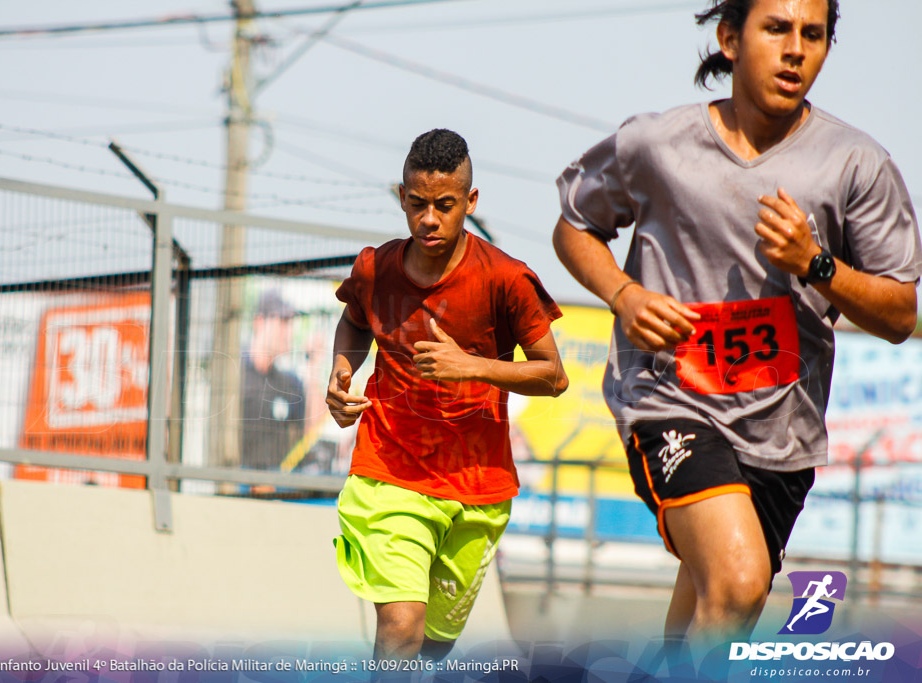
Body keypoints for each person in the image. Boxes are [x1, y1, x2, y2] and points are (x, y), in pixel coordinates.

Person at [552, 0, 921, 649]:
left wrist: (817, 263)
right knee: (740, 578)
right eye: (776, 28)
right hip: (671, 400)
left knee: (715, 601)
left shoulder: (856, 165)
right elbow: (575, 225)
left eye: (813, 35)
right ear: (729, 38)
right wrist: (624, 294)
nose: (795, 49)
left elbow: (899, 313)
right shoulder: (656, 144)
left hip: (783, 432)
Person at [327, 128, 568, 662]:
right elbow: (353, 323)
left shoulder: (507, 280)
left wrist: (470, 367)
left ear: (470, 201)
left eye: (444, 205)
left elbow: (554, 376)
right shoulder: (376, 269)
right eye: (416, 205)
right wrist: (341, 373)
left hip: (475, 483)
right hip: (389, 469)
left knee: (432, 650)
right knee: (400, 624)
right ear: (402, 198)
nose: (428, 219)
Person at [241, 288, 306, 471]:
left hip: (277, 491)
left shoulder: (289, 384)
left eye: (291, 323)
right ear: (259, 322)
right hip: (237, 486)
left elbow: (310, 434)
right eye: (283, 322)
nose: (289, 331)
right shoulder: (234, 377)